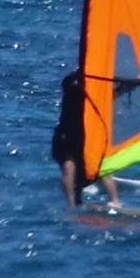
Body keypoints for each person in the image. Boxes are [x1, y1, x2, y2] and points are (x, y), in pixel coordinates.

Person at [51, 70, 117, 209]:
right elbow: (73, 87)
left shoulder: (96, 85)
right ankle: (71, 205)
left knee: (102, 166)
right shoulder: (71, 82)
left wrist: (125, 87)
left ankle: (115, 201)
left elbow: (108, 97)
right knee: (69, 167)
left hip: (89, 134)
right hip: (67, 133)